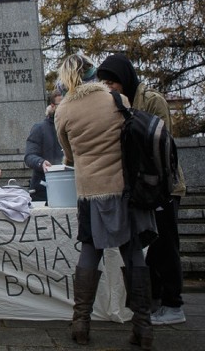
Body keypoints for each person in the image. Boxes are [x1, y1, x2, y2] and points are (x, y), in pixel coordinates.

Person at [54, 54, 156, 350]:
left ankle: (81, 323)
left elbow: (69, 154)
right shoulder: (116, 99)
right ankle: (143, 326)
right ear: (93, 72)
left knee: (90, 250)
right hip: (123, 188)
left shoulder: (64, 109)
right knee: (133, 251)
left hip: (90, 190)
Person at [97, 53, 187, 326]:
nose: (109, 87)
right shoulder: (113, 104)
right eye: (105, 82)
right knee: (147, 247)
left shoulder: (152, 100)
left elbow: (161, 143)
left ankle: (174, 304)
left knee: (165, 246)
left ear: (124, 79)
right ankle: (156, 300)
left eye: (112, 82)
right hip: (136, 187)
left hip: (163, 186)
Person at [24, 90, 63, 202]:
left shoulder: (74, 127)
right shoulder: (40, 128)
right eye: (61, 105)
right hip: (43, 190)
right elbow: (29, 156)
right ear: (52, 106)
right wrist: (41, 162)